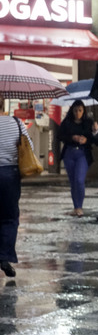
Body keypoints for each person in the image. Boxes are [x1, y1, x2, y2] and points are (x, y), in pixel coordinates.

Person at [0, 95, 32, 278]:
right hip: (10, 174)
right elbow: (30, 146)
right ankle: (4, 256)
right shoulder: (16, 123)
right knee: (10, 217)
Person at [57, 100, 94, 217]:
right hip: (69, 153)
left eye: (80, 111)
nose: (78, 113)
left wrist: (87, 139)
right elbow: (60, 136)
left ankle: (80, 207)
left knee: (79, 180)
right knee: (73, 182)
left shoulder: (88, 123)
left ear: (84, 111)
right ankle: (76, 206)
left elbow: (94, 138)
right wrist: (72, 137)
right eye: (75, 111)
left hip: (82, 153)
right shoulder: (67, 122)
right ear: (72, 111)